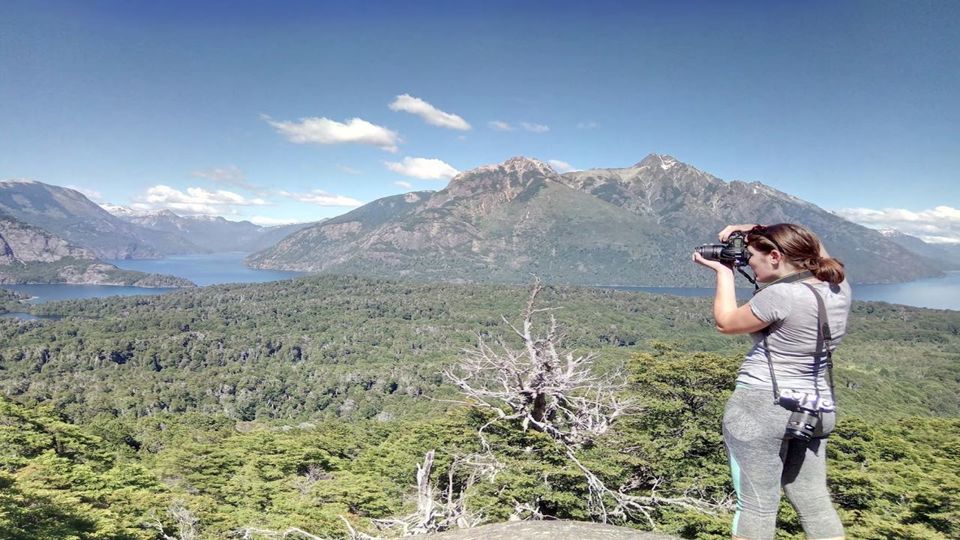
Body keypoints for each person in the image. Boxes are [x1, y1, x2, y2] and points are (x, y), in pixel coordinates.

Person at [693, 223, 850, 540]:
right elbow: (814, 243)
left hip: (761, 407)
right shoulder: (838, 287)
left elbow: (726, 323)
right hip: (817, 409)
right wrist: (755, 228)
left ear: (775, 256)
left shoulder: (781, 295)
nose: (746, 263)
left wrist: (723, 273)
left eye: (749, 256)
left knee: (756, 507)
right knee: (816, 503)